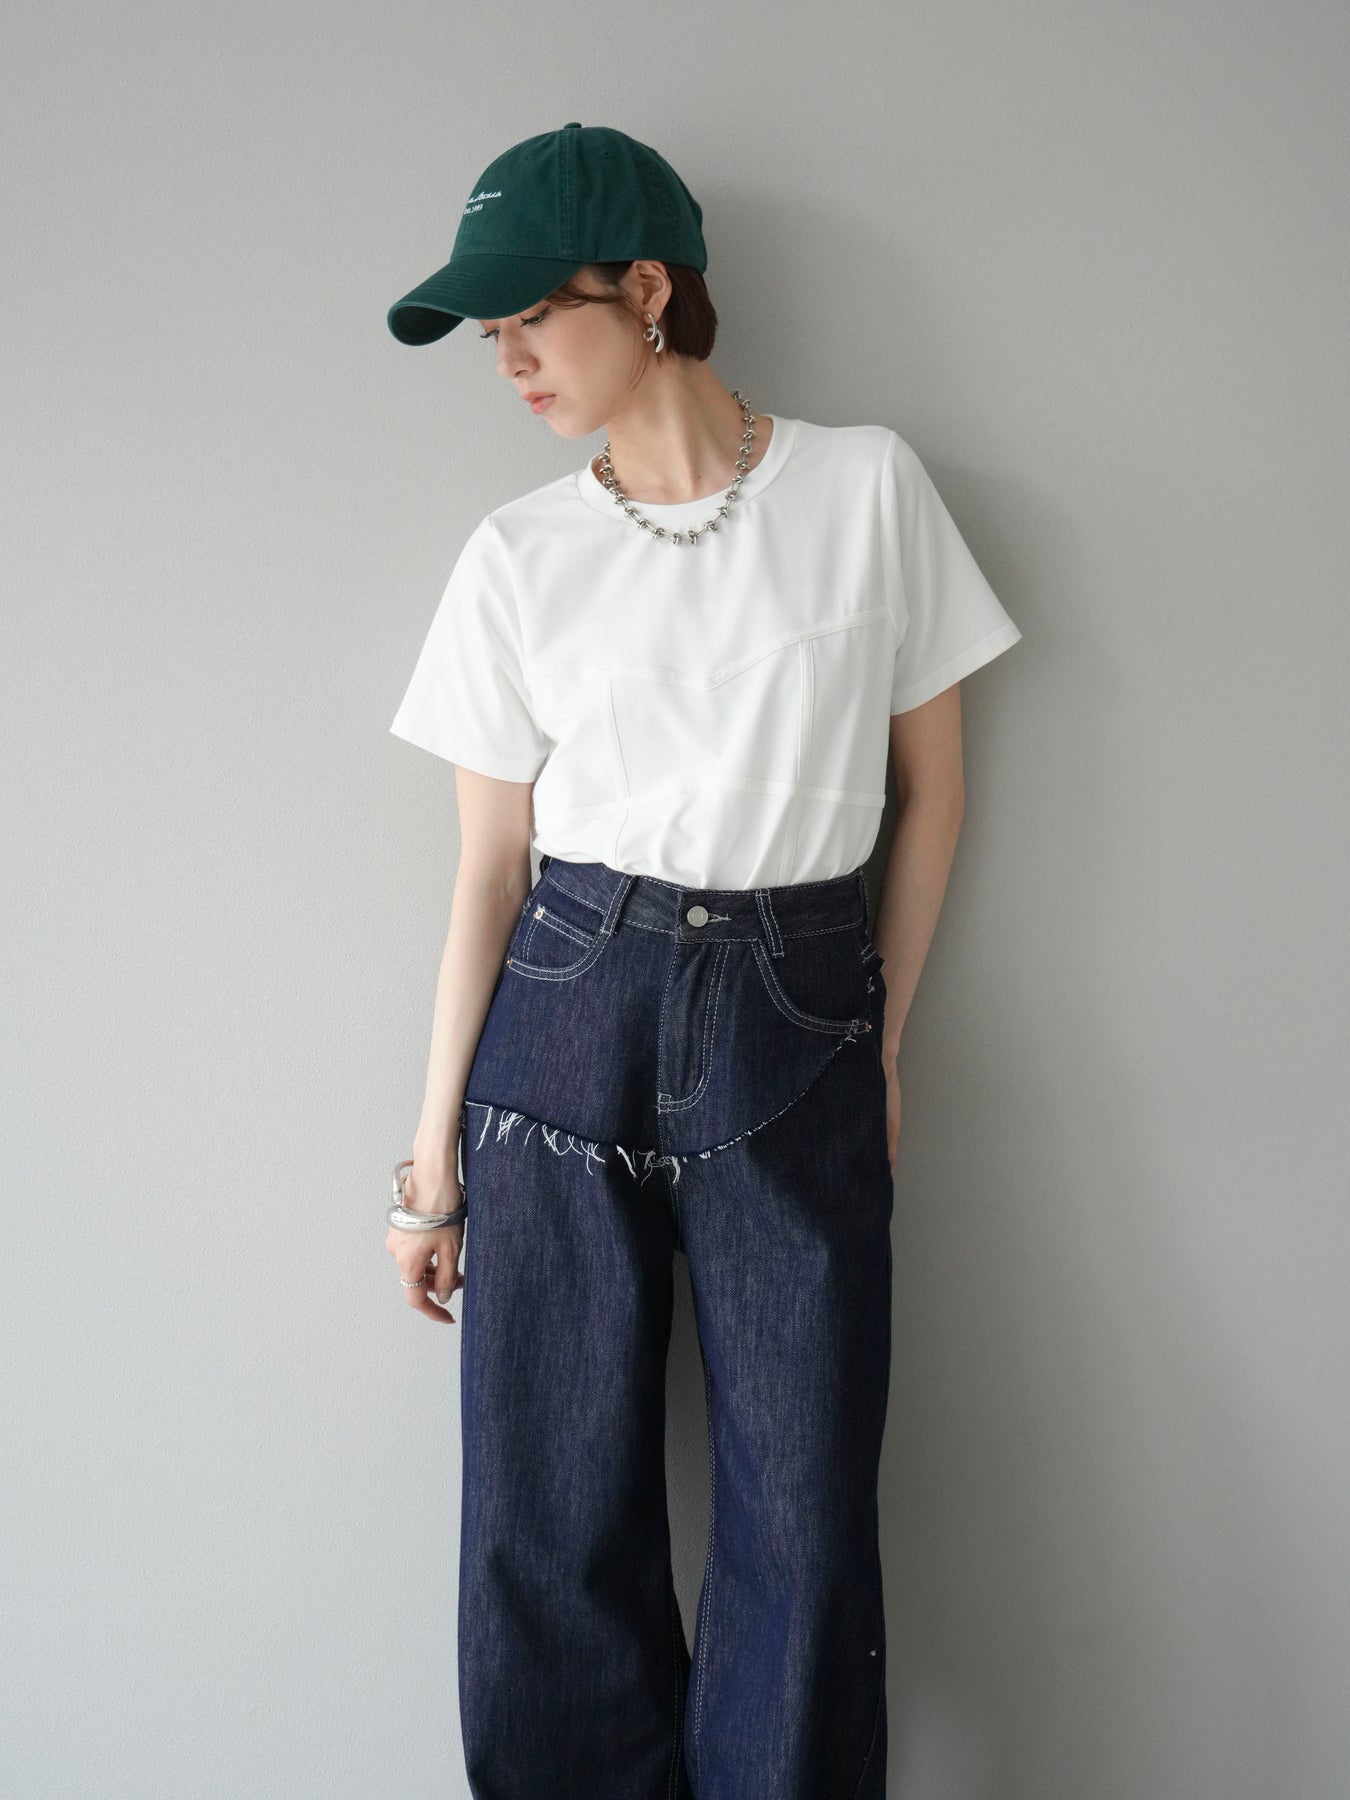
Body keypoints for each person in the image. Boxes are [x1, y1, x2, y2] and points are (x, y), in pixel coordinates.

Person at [382, 122, 1021, 1800]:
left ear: (648, 289)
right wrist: (430, 1161)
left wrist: (880, 1045)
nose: (508, 358)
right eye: (491, 331)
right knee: (547, 1506)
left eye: (535, 314)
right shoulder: (515, 555)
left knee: (800, 1509)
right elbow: (489, 872)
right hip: (565, 1004)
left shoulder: (865, 487)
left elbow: (933, 795)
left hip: (794, 1011)